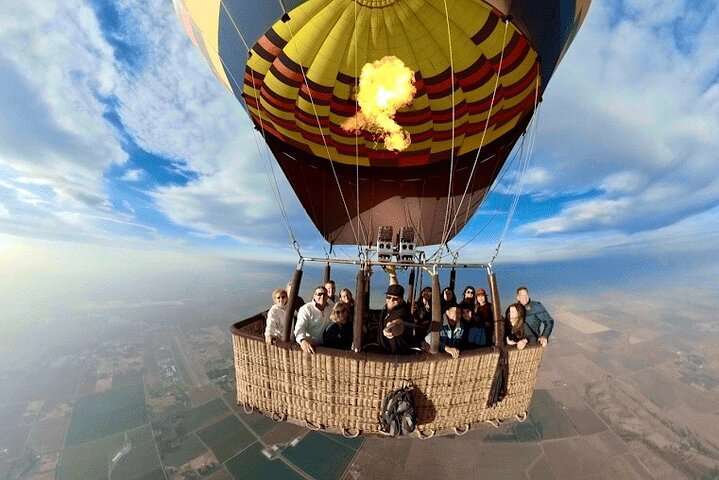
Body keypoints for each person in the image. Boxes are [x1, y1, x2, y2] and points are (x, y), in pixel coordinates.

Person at [294, 286, 332, 354]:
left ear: (327, 297)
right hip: (311, 348)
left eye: (325, 294)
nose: (322, 296)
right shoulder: (306, 309)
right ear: (314, 296)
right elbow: (300, 327)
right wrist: (302, 341)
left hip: (327, 346)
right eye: (319, 294)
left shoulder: (330, 308)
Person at [379, 283, 412, 354]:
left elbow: (399, 322)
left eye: (395, 298)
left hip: (397, 356)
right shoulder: (386, 309)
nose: (391, 300)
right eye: (388, 297)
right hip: (383, 351)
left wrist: (390, 329)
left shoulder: (402, 312)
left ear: (401, 300)